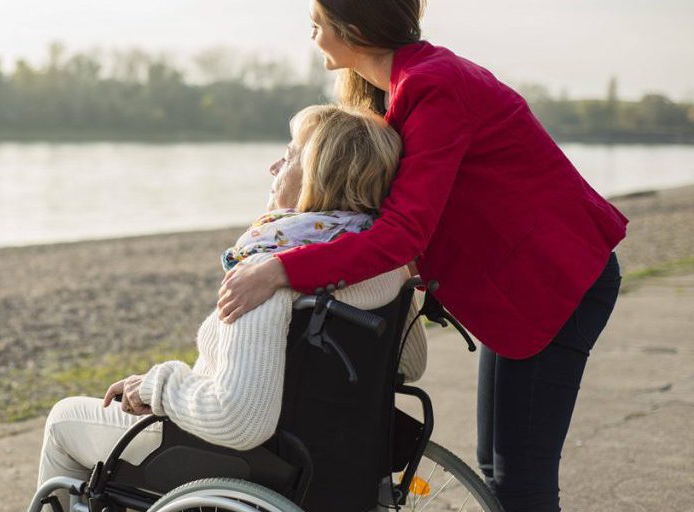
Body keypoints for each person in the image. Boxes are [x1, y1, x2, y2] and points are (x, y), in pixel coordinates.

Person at [215, 2, 628, 511]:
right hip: (522, 284)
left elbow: (402, 234)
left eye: (318, 19)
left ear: (356, 26)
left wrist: (279, 269)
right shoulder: (404, 88)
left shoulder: (433, 85)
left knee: (521, 480)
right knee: (500, 467)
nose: (313, 30)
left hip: (557, 281)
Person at [35, 105, 428, 507]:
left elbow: (239, 421)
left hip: (246, 461)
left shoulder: (270, 274)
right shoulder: (386, 267)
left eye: (290, 156)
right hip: (337, 462)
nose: (273, 166)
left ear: (318, 176)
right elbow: (408, 366)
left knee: (64, 419)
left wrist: (158, 385)